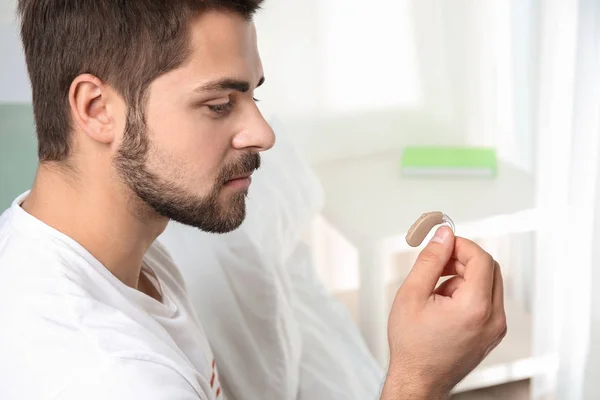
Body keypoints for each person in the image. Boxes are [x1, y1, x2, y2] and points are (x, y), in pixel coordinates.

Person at [0, 1, 507, 399]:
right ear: (97, 109)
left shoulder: (104, 245)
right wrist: (419, 380)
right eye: (219, 104)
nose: (263, 134)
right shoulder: (113, 377)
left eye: (252, 97)